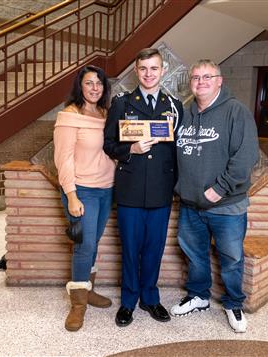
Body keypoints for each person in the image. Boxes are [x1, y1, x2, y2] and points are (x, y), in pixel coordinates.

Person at [170, 59, 259, 333]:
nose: (201, 82)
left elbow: (245, 159)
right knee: (195, 255)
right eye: (196, 77)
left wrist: (219, 188)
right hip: (190, 205)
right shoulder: (184, 113)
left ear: (219, 81)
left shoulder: (236, 112)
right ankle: (199, 296)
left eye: (208, 76)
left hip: (227, 206)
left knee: (231, 258)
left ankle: (234, 304)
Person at [103, 48, 183, 327]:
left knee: (153, 249)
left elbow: (177, 151)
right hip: (131, 190)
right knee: (130, 248)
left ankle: (150, 298)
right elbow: (108, 144)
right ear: (136, 71)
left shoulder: (174, 106)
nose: (149, 74)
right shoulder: (122, 103)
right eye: (143, 69)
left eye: (154, 68)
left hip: (161, 190)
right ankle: (128, 302)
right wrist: (131, 149)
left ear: (163, 71)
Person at [53, 65, 115, 332]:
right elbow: (63, 158)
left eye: (99, 83)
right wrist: (71, 195)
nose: (94, 88)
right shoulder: (68, 116)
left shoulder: (105, 113)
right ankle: (78, 305)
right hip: (82, 190)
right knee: (84, 245)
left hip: (106, 188)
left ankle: (87, 290)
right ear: (80, 86)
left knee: (94, 241)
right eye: (89, 83)